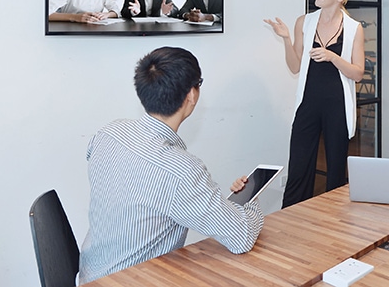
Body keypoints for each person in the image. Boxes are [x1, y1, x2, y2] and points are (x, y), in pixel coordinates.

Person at [78, 47, 264, 284]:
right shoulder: (182, 170)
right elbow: (242, 237)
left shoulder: (109, 133)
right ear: (191, 95)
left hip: (90, 276)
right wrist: (250, 201)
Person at [264, 0, 365, 208]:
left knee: (336, 168)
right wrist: (286, 39)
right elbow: (295, 66)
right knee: (298, 166)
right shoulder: (305, 22)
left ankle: (335, 217)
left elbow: (358, 73)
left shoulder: (354, 28)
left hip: (337, 106)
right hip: (308, 103)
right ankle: (291, 216)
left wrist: (333, 57)